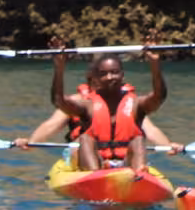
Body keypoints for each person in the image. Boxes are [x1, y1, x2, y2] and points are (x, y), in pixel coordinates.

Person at [44, 45, 170, 174]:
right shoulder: (87, 104)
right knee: (85, 138)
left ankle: (139, 174)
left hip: (127, 163)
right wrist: (59, 68)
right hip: (96, 163)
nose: (110, 77)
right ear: (96, 78)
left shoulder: (136, 103)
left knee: (137, 139)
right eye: (104, 74)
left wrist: (155, 64)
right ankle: (95, 176)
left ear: (122, 75)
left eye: (114, 72)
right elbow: (58, 101)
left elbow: (159, 97)